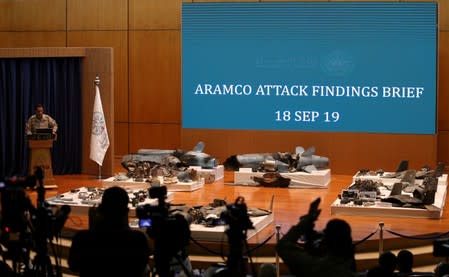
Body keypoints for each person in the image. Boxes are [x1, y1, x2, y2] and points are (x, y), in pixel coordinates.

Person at [68, 186, 152, 277]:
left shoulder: (82, 238)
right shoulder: (137, 239)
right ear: (126, 211)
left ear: (100, 209)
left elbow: (74, 266)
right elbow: (141, 266)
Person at [276, 197, 357, 277]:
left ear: (326, 242)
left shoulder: (311, 267)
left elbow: (283, 246)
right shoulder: (348, 270)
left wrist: (308, 220)